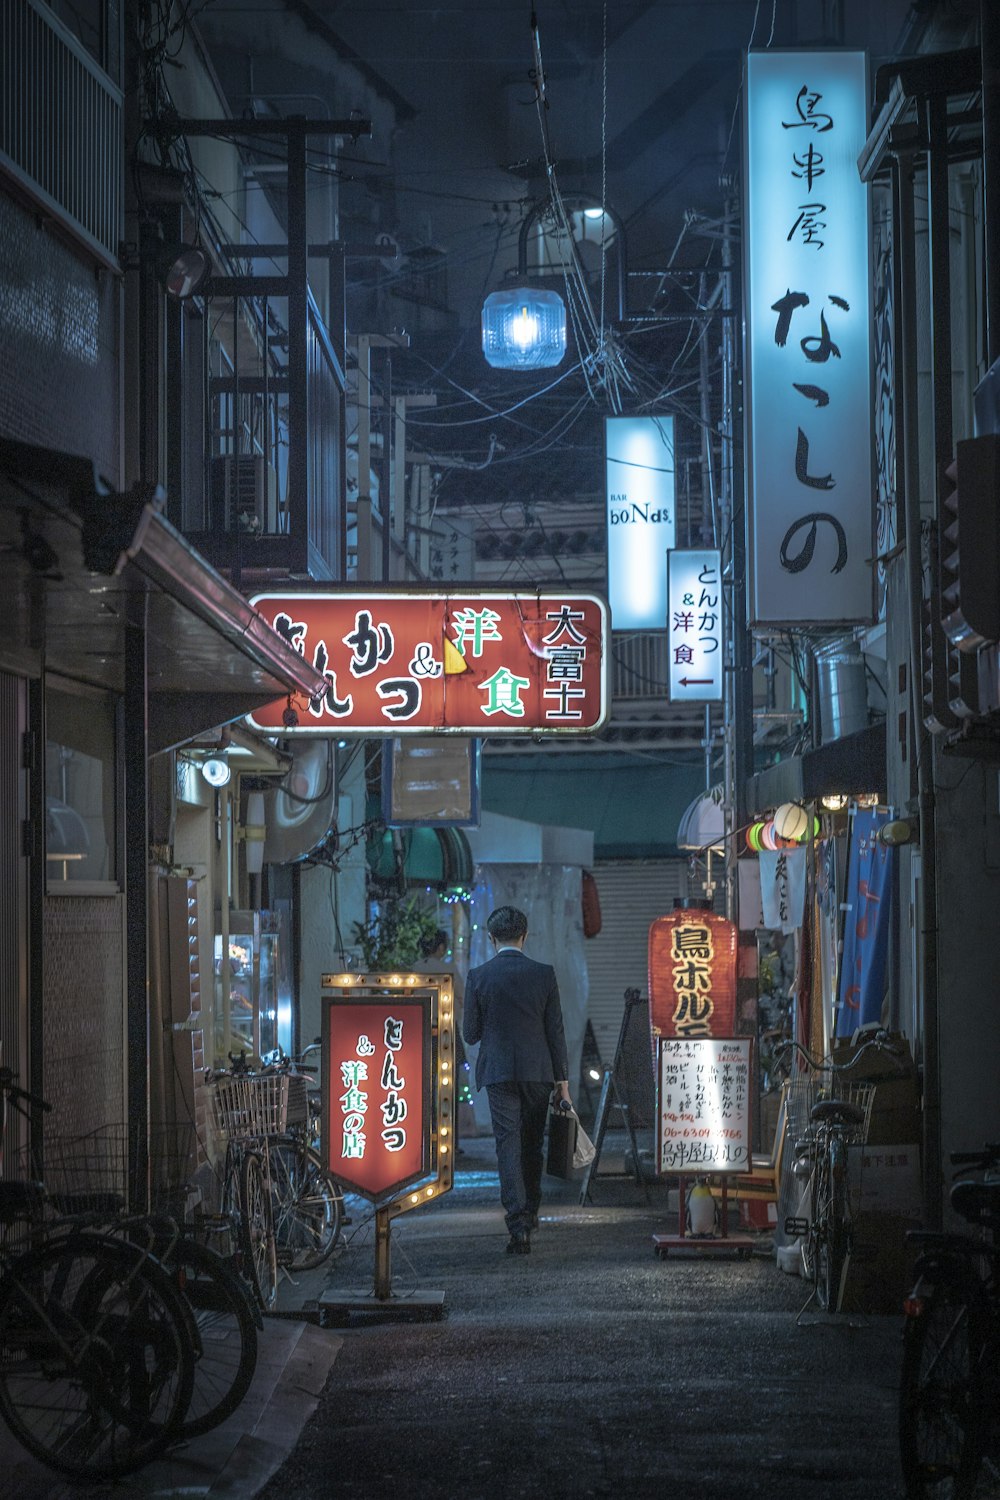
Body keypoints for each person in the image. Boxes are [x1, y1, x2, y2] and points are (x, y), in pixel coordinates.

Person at [462, 904, 571, 1255]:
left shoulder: (479, 976)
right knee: (531, 1144)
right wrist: (562, 1083)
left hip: (498, 1073)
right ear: (525, 936)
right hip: (538, 1072)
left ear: (491, 938)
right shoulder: (543, 974)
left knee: (506, 1145)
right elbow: (555, 1031)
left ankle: (517, 1225)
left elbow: (471, 1033)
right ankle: (532, 1210)